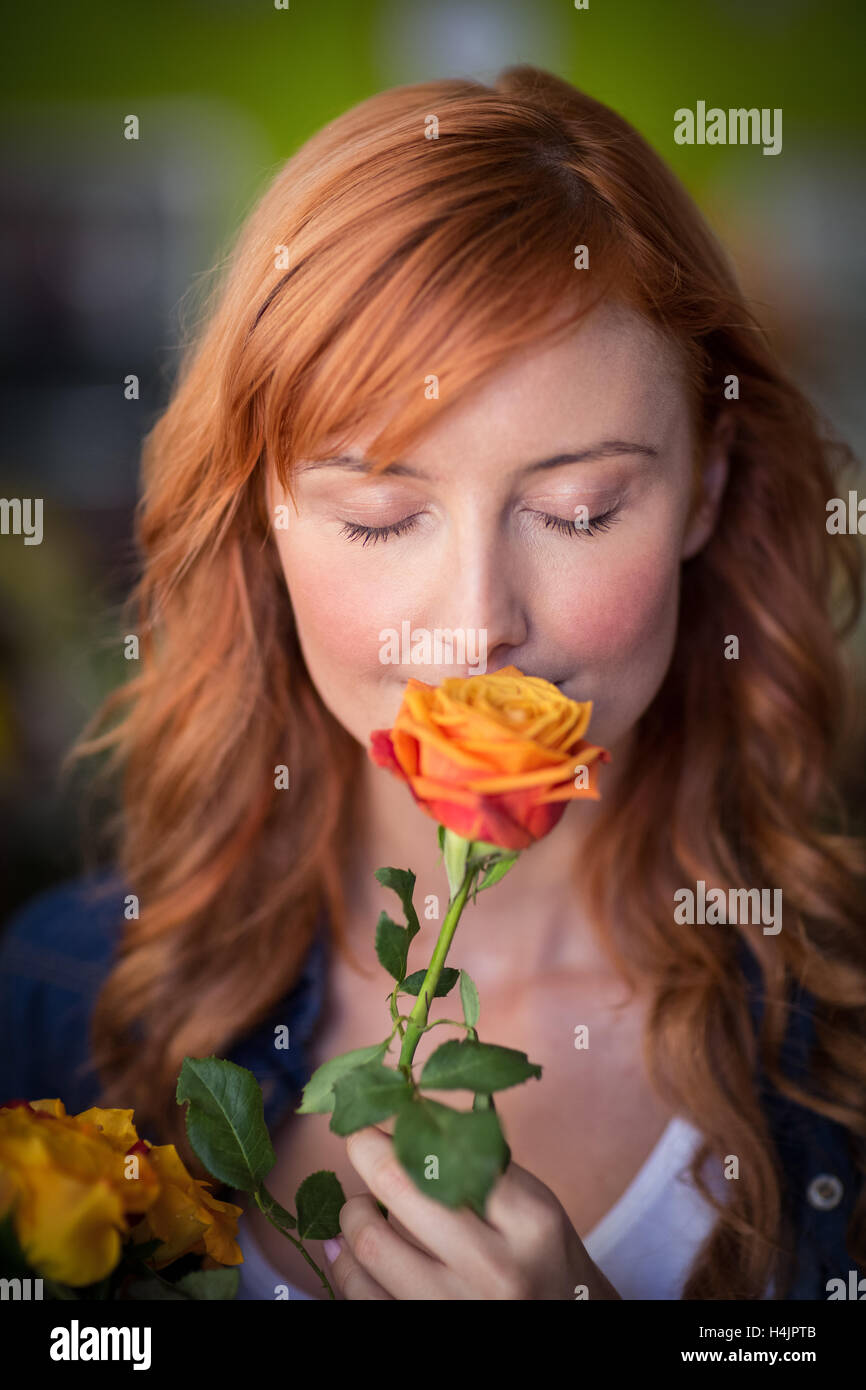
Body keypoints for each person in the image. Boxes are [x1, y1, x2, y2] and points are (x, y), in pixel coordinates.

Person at [2, 64, 865, 1302]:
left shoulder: (838, 1040)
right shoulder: (56, 995)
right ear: (264, 515)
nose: (474, 630)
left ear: (707, 488)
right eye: (378, 515)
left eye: (577, 511)